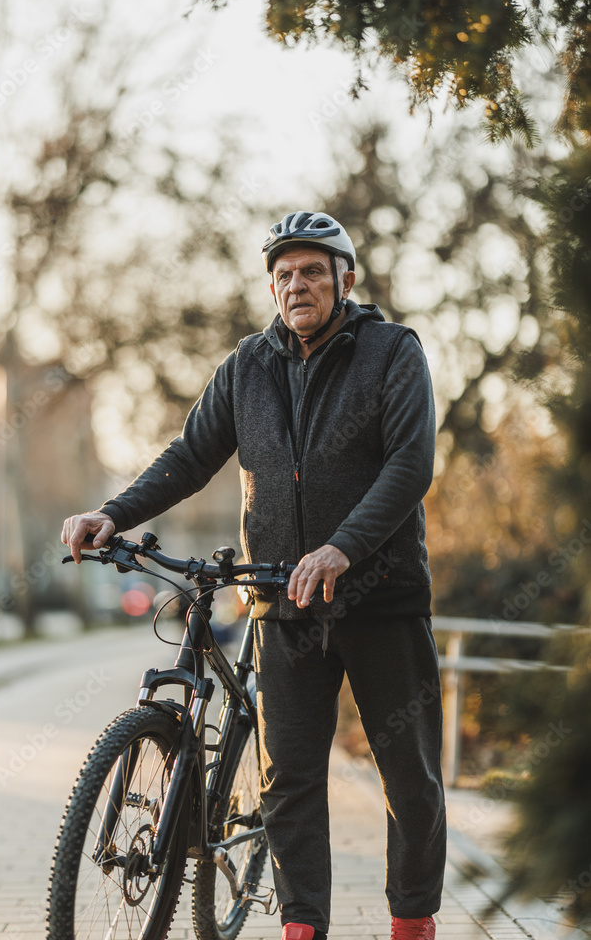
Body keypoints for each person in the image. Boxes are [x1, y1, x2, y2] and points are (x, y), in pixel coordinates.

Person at [62, 211, 446, 940]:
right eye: (283, 276)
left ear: (344, 279)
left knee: (410, 780)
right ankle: (302, 928)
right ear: (272, 289)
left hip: (380, 601)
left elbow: (409, 467)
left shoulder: (392, 353)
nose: (295, 285)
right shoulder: (247, 366)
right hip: (281, 605)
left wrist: (341, 548)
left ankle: (411, 924)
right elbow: (188, 456)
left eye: (310, 271)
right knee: (289, 785)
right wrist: (111, 514)